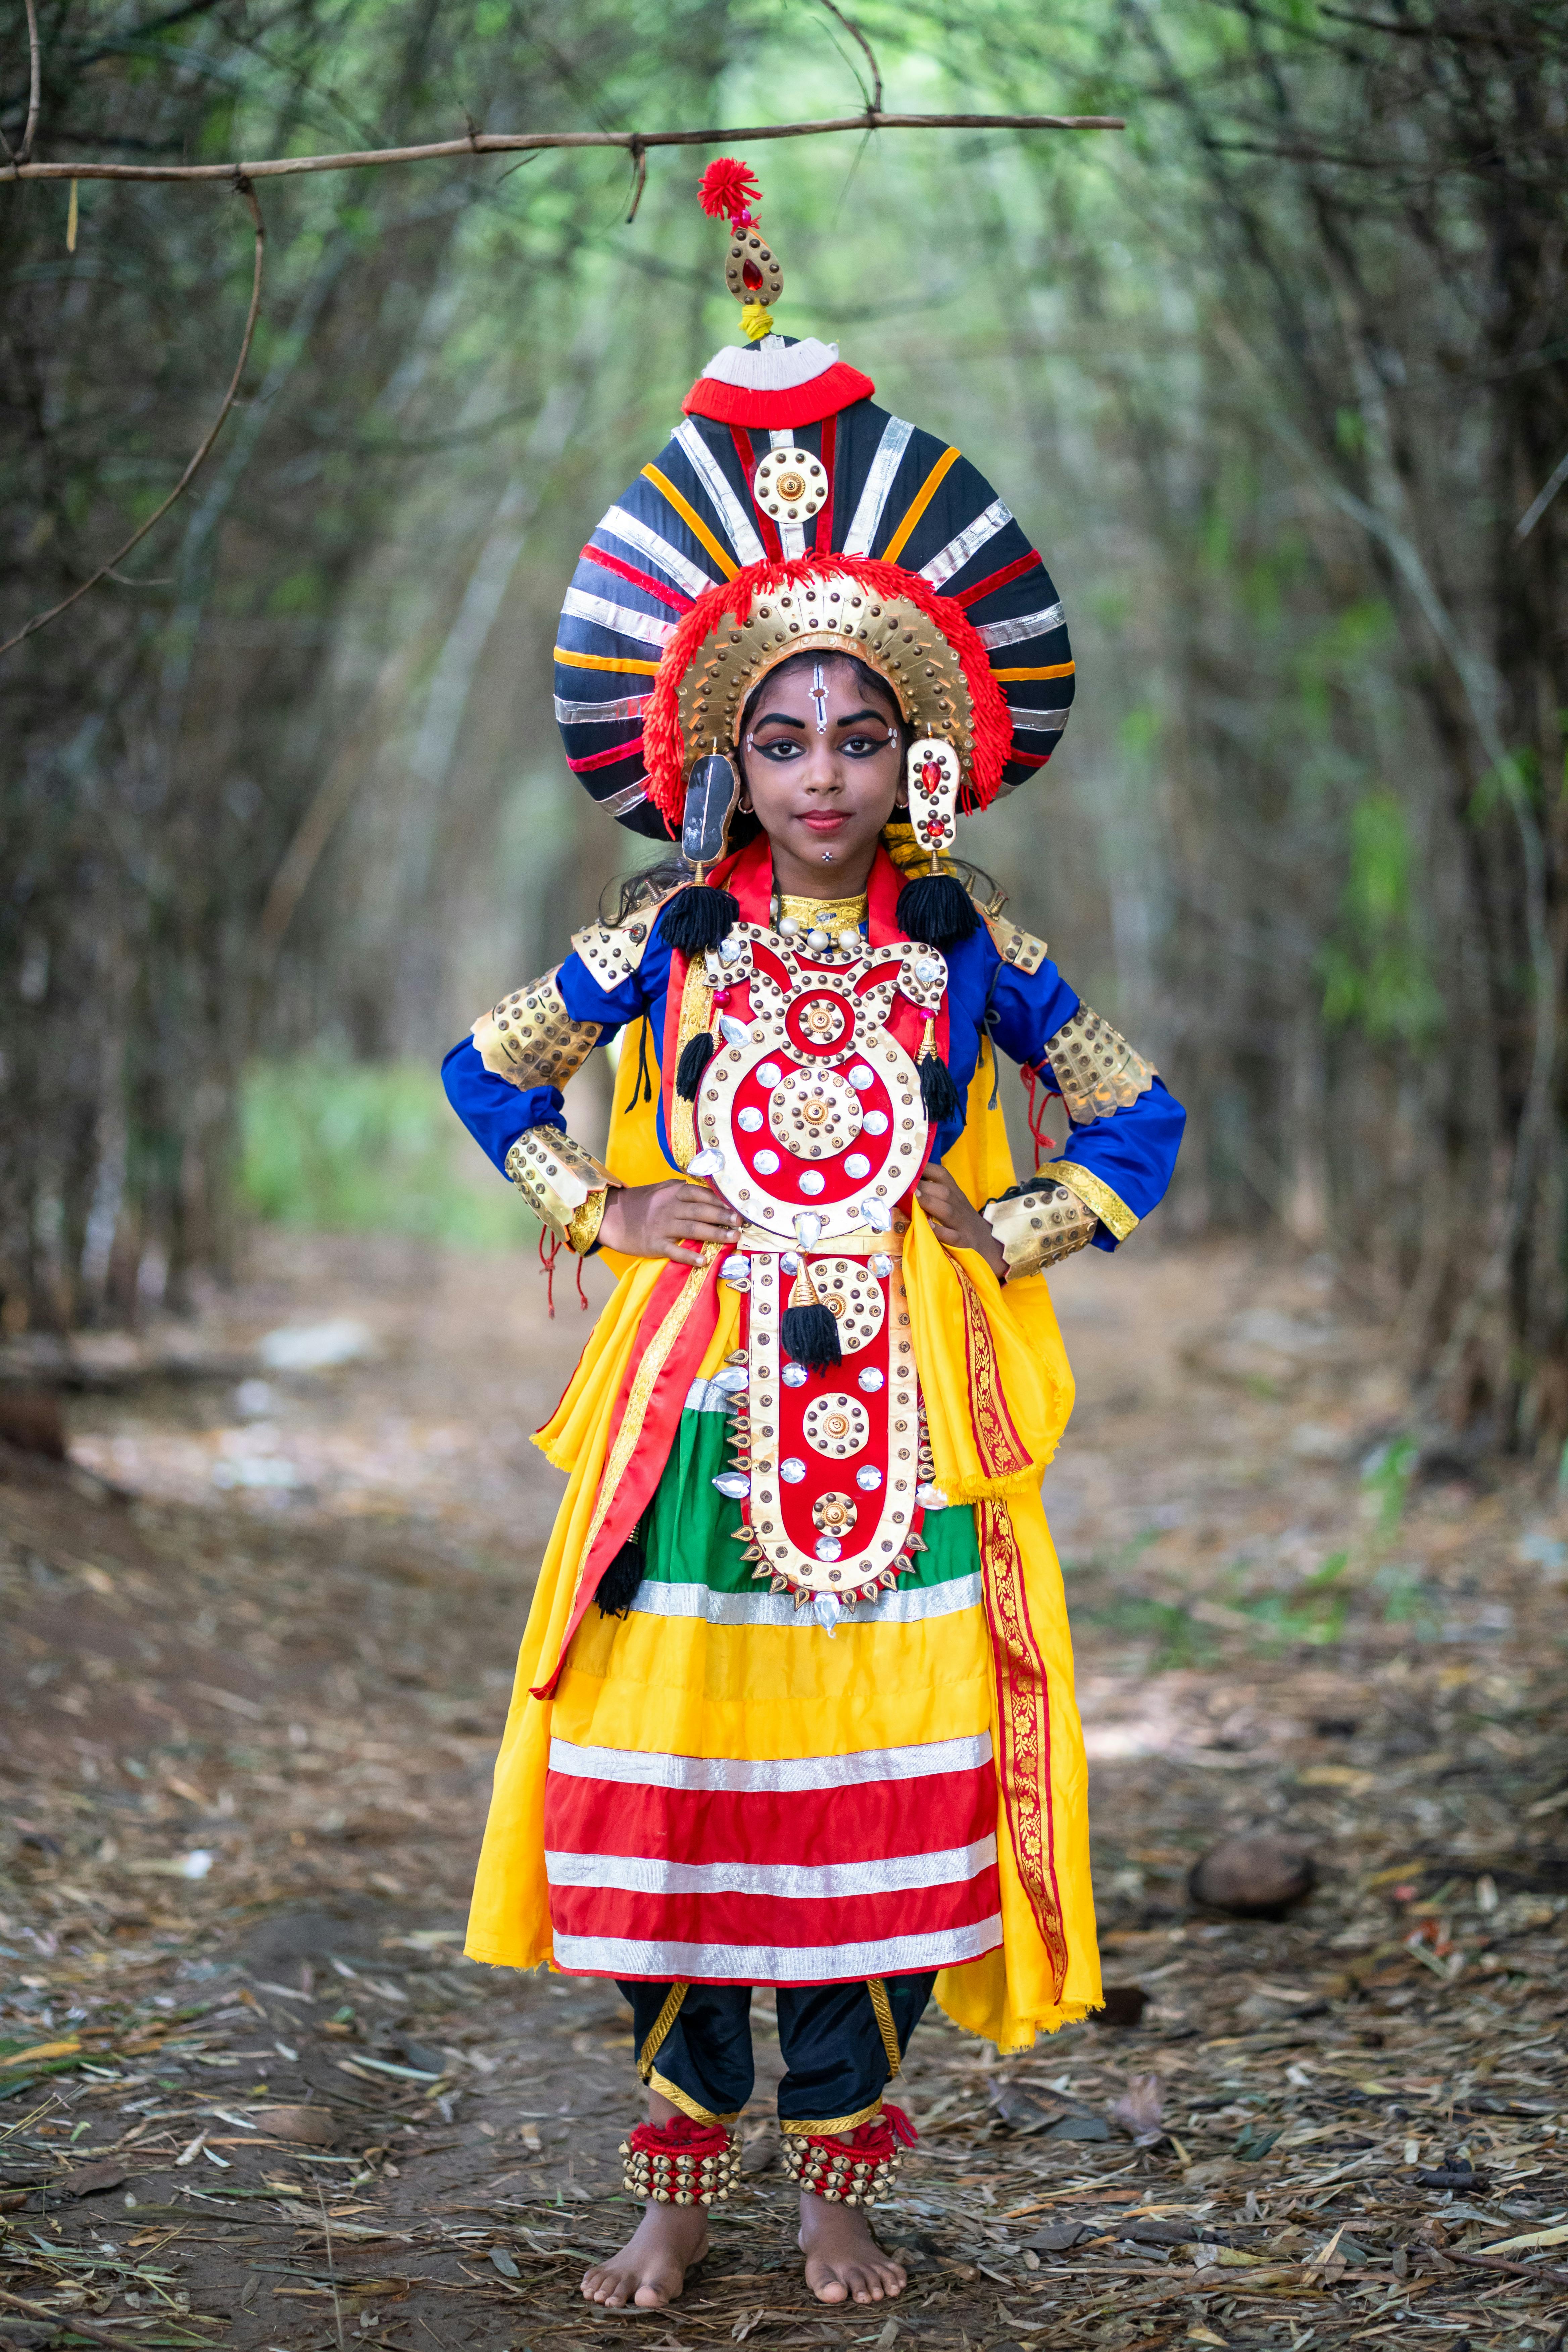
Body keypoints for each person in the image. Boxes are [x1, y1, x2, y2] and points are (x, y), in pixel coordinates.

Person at [442, 158, 1184, 2314]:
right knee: (674, 1798)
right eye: (785, 735)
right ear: (726, 756)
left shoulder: (976, 952)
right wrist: (604, 1197)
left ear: (923, 755)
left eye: (866, 734)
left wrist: (1006, 1219)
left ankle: (839, 2179)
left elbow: (1137, 1119)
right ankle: (676, 2179)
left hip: (910, 1435)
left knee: (875, 1801)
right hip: (694, 1422)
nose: (828, 767)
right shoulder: (660, 936)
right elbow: (488, 1077)